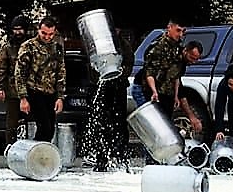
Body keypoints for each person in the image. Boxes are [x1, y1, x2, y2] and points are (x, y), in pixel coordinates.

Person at [133, 18, 204, 135]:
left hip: (164, 90)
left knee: (165, 125)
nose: (180, 35)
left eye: (183, 32)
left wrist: (175, 96)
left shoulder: (177, 50)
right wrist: (154, 91)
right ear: (169, 28)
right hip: (146, 88)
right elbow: (149, 73)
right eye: (178, 30)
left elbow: (176, 79)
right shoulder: (157, 47)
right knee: (153, 127)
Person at [83, 27, 135, 171]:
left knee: (119, 123)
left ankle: (121, 157)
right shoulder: (98, 42)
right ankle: (101, 158)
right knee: (101, 123)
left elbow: (129, 63)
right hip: (100, 86)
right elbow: (91, 62)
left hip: (118, 88)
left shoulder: (123, 45)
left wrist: (119, 74)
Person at [14, 16, 66, 142]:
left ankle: (40, 151)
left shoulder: (57, 47)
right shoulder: (28, 47)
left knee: (50, 130)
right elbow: (20, 73)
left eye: (50, 34)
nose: (47, 37)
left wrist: (60, 97)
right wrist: (23, 98)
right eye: (44, 33)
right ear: (38, 30)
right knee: (44, 127)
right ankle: (36, 151)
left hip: (50, 93)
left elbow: (61, 73)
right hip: (34, 92)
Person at [0, 15, 31, 147]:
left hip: (32, 90)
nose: (17, 32)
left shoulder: (33, 46)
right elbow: (0, 68)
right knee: (12, 125)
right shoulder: (7, 48)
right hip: (13, 92)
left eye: (20, 29)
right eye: (15, 29)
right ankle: (10, 149)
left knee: (32, 124)